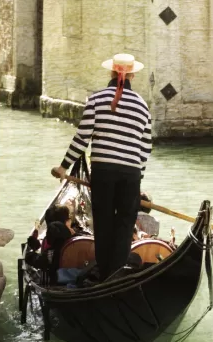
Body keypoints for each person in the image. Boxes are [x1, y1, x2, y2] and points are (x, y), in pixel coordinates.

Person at [51, 53, 153, 279]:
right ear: (132, 75)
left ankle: (105, 272)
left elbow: (82, 137)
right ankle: (116, 274)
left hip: (103, 171)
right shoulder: (142, 106)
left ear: (111, 72)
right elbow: (146, 147)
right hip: (130, 173)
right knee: (125, 224)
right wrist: (138, 177)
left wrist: (63, 166)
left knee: (104, 221)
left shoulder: (96, 99)